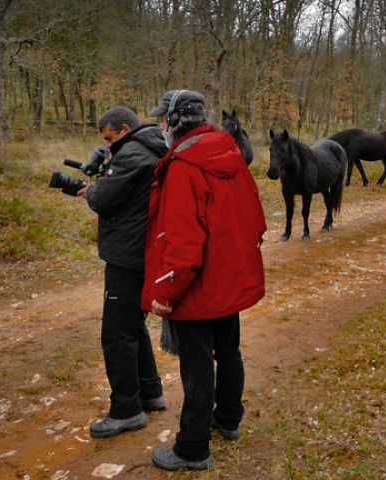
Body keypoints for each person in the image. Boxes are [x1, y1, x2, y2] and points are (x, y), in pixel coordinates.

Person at [142, 90, 266, 471]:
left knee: (196, 369)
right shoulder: (230, 154)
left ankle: (192, 448)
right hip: (227, 281)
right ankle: (228, 419)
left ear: (176, 121)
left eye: (163, 118)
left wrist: (166, 293)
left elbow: (180, 242)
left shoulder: (182, 166)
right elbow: (256, 221)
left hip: (196, 288)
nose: (160, 124)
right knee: (229, 352)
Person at [77, 106, 167, 438]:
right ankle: (150, 392)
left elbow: (104, 198)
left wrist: (94, 190)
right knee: (133, 325)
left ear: (125, 129)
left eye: (110, 138)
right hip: (140, 250)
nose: (108, 145)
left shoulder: (133, 154)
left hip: (128, 255)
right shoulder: (150, 148)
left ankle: (127, 410)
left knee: (116, 334)